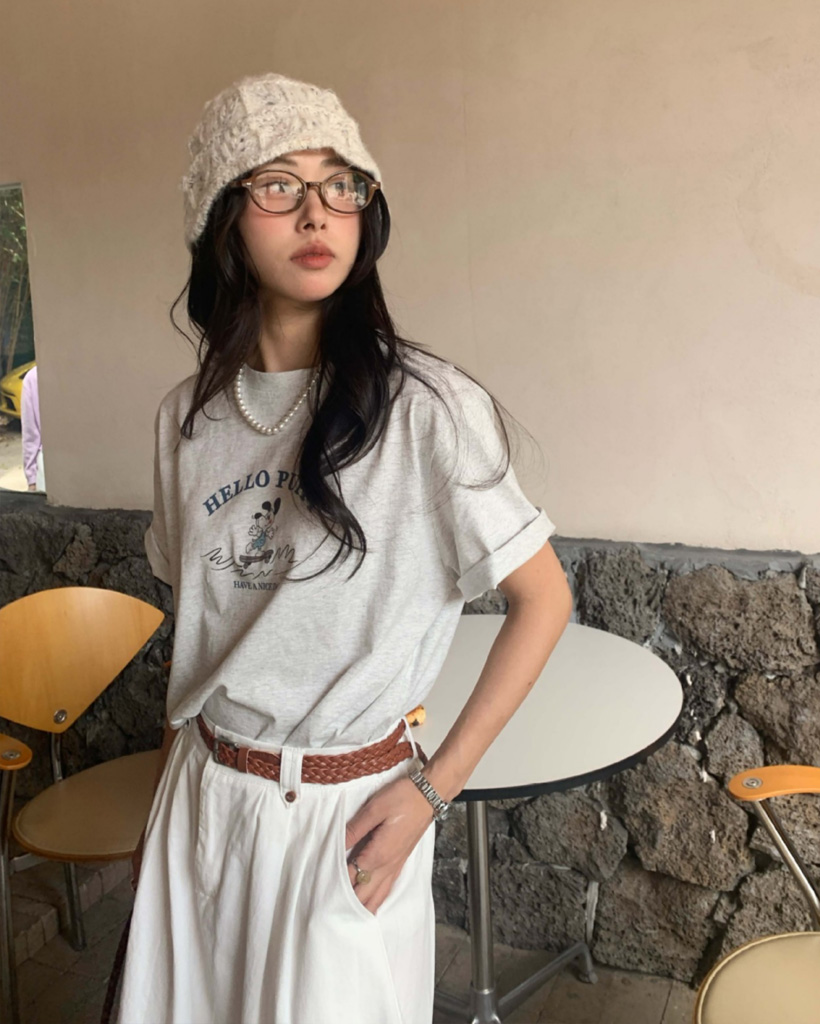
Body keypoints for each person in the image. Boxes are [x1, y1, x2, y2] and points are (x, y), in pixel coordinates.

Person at [117, 72, 573, 1024]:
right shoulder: (184, 423)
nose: (317, 211)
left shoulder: (425, 410)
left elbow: (544, 600)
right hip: (201, 795)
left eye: (342, 183)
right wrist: (163, 808)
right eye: (278, 183)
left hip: (347, 817)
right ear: (223, 218)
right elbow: (199, 639)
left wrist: (432, 793)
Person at [20, 364, 45, 492]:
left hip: (48, 467)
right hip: (47, 468)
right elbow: (30, 433)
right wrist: (32, 478)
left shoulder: (33, 377)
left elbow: (30, 434)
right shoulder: (33, 378)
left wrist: (32, 479)